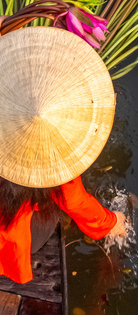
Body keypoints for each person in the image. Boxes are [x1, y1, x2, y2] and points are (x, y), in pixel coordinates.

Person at [0, 26, 126, 284]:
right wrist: (112, 223)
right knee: (44, 221)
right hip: (7, 233)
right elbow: (76, 202)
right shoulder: (54, 164)